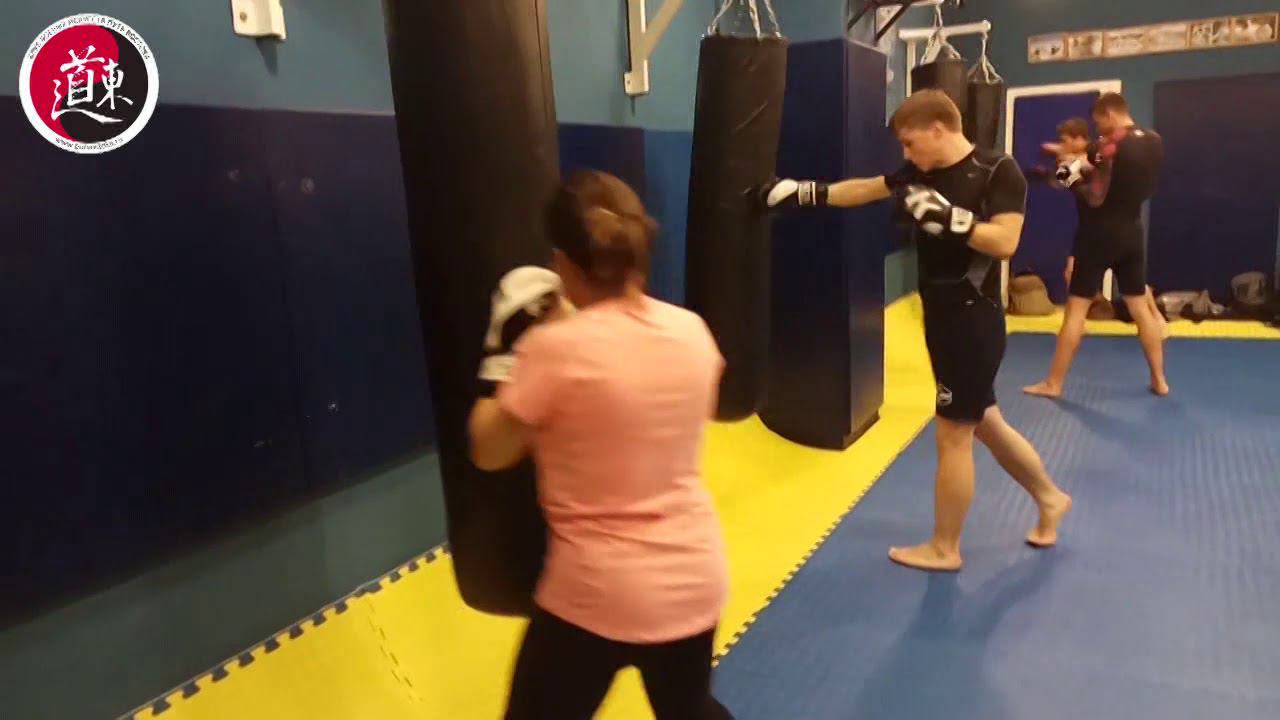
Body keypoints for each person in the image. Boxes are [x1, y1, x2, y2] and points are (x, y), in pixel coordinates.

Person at [760, 89, 1073, 572]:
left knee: (953, 434)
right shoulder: (920, 174)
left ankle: (946, 548)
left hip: (973, 320)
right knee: (983, 421)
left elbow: (1005, 241)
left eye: (910, 142)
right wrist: (804, 192)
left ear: (938, 129)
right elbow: (867, 188)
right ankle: (1050, 497)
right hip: (942, 317)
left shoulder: (997, 170)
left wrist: (950, 220)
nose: (906, 154)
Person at [467, 170, 734, 719]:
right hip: (695, 580)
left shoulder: (552, 351)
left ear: (561, 263)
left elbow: (489, 452)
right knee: (688, 707)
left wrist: (503, 356)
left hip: (595, 595)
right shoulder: (693, 332)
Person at [1023, 93, 1169, 398]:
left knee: (1075, 311)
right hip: (1132, 231)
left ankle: (1053, 383)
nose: (1098, 129)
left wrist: (1065, 172)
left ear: (1109, 114)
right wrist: (1071, 158)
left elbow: (1093, 196)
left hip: (1099, 234)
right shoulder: (1153, 140)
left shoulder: (1109, 144)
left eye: (1099, 122)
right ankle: (1159, 380)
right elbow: (1109, 171)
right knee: (1141, 310)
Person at [1045, 117, 1168, 337]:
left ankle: (1155, 318)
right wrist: (1062, 159)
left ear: (1079, 138)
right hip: (1091, 227)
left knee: (1134, 289)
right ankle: (1079, 322)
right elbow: (1063, 177)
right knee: (1127, 286)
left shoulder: (1097, 154)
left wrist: (1066, 164)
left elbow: (1077, 173)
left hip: (1103, 230)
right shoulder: (1083, 156)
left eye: (1065, 140)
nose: (1062, 143)